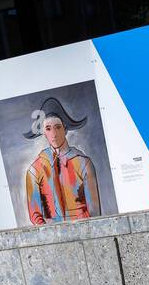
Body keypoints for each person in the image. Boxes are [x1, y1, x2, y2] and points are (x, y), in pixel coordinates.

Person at [24, 94, 101, 223]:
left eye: (58, 127)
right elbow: (35, 215)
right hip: (52, 235)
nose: (53, 134)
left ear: (65, 129)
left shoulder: (83, 162)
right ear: (43, 132)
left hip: (83, 230)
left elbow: (94, 209)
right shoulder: (34, 170)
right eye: (48, 129)